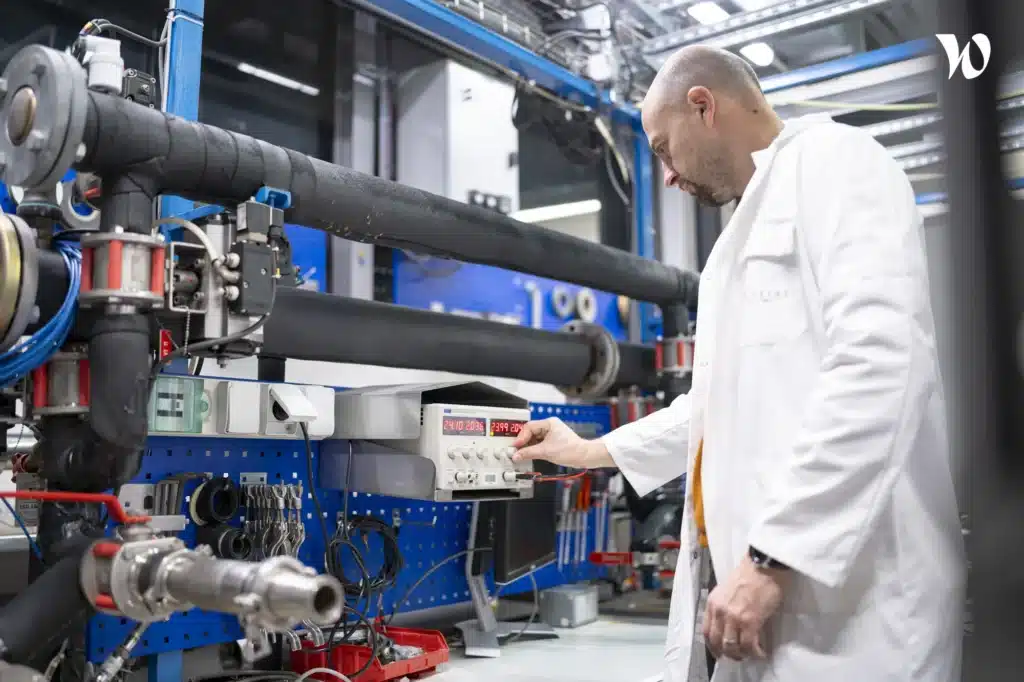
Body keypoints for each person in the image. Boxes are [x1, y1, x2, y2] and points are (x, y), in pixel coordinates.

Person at [512, 45, 966, 682]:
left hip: (856, 621)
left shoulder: (836, 163)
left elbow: (883, 365)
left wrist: (773, 557)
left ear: (703, 106)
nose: (667, 176)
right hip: (762, 611)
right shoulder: (739, 236)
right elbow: (718, 405)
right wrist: (592, 450)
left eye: (664, 148)